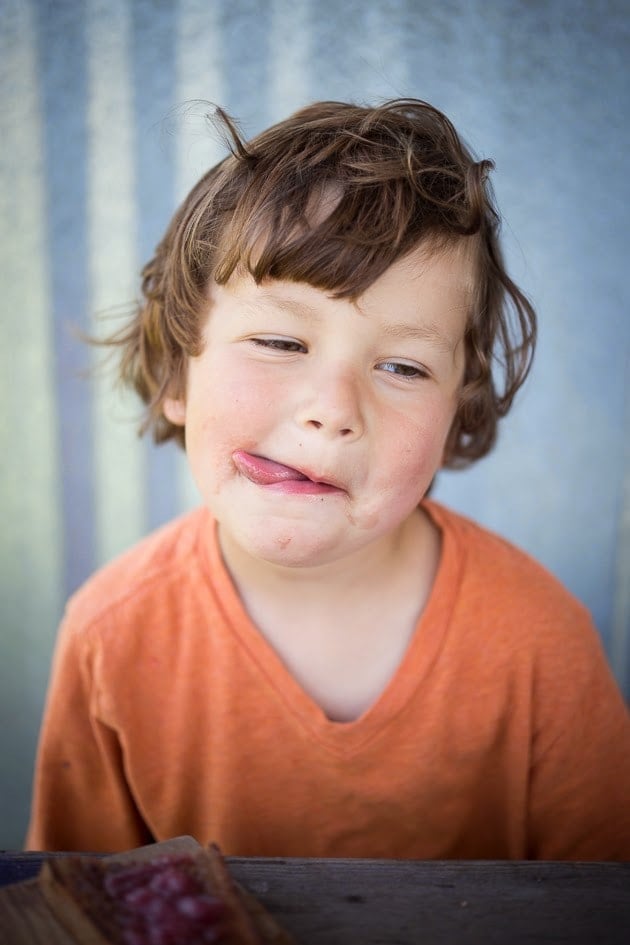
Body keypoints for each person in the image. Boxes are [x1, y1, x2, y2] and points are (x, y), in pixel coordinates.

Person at [26, 99, 630, 860]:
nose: (333, 411)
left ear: (457, 410)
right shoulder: (109, 635)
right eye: (281, 340)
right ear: (178, 370)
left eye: (403, 366)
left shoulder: (544, 643)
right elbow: (74, 904)